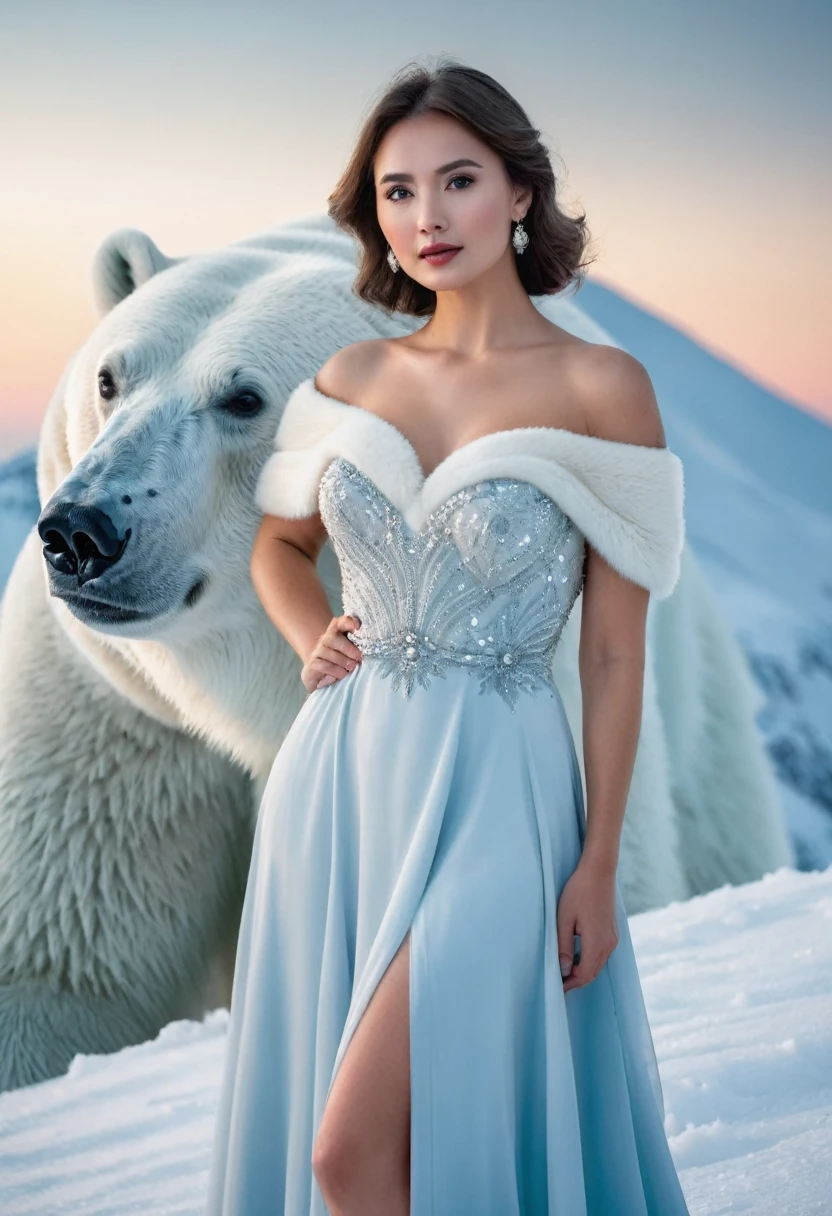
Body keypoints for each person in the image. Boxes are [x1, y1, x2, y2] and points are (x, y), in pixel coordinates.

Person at [206, 58, 691, 1216]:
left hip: (503, 794)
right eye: (396, 191)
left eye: (458, 180)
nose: (426, 218)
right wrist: (312, 633)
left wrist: (598, 861)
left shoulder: (600, 384)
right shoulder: (349, 374)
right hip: (340, 785)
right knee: (386, 1149)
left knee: (347, 1153)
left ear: (520, 192)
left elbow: (615, 651)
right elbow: (275, 548)